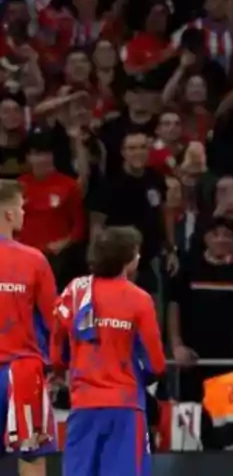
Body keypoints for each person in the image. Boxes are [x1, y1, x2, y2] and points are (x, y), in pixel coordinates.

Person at [52, 226, 168, 476]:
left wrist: (62, 370)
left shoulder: (74, 290)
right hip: (125, 407)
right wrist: (142, 377)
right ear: (128, 260)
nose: (139, 258)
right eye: (137, 253)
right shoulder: (140, 299)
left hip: (83, 404)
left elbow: (56, 347)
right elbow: (156, 364)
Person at [0, 179, 57, 475]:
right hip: (22, 374)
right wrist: (61, 365)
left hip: (20, 369)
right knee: (32, 457)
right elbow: (55, 321)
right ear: (9, 214)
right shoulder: (34, 260)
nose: (24, 213)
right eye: (21, 208)